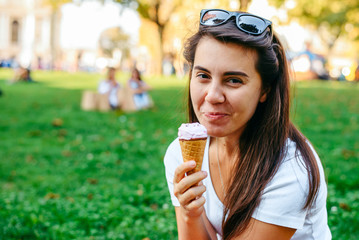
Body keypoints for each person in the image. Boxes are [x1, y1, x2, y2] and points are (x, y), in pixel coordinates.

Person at [164, 9, 331, 240]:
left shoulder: (290, 169)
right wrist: (190, 215)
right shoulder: (180, 155)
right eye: (203, 75)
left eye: (233, 80)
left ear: (265, 90)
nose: (212, 96)